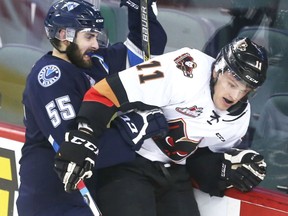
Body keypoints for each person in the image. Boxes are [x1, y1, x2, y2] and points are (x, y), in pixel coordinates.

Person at [54, 37, 268, 216]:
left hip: (175, 173)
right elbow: (105, 92)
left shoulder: (239, 119)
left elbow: (198, 159)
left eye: (245, 89)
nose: (235, 95)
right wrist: (84, 134)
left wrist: (224, 170)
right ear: (216, 71)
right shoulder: (184, 69)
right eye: (232, 84)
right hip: (130, 163)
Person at [17, 0, 167, 215]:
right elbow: (78, 152)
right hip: (50, 202)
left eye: (96, 36)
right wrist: (136, 126)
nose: (96, 44)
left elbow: (145, 54)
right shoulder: (50, 78)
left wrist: (138, 10)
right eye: (89, 36)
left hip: (83, 196)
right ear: (63, 35)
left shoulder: (94, 62)